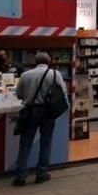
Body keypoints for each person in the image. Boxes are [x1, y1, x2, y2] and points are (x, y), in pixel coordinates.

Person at [13, 52, 68, 186]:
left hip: (31, 111)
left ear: (35, 61)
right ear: (48, 61)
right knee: (46, 141)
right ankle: (41, 173)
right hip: (48, 112)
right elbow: (63, 93)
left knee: (25, 143)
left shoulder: (26, 75)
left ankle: (21, 175)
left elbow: (19, 94)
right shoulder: (55, 74)